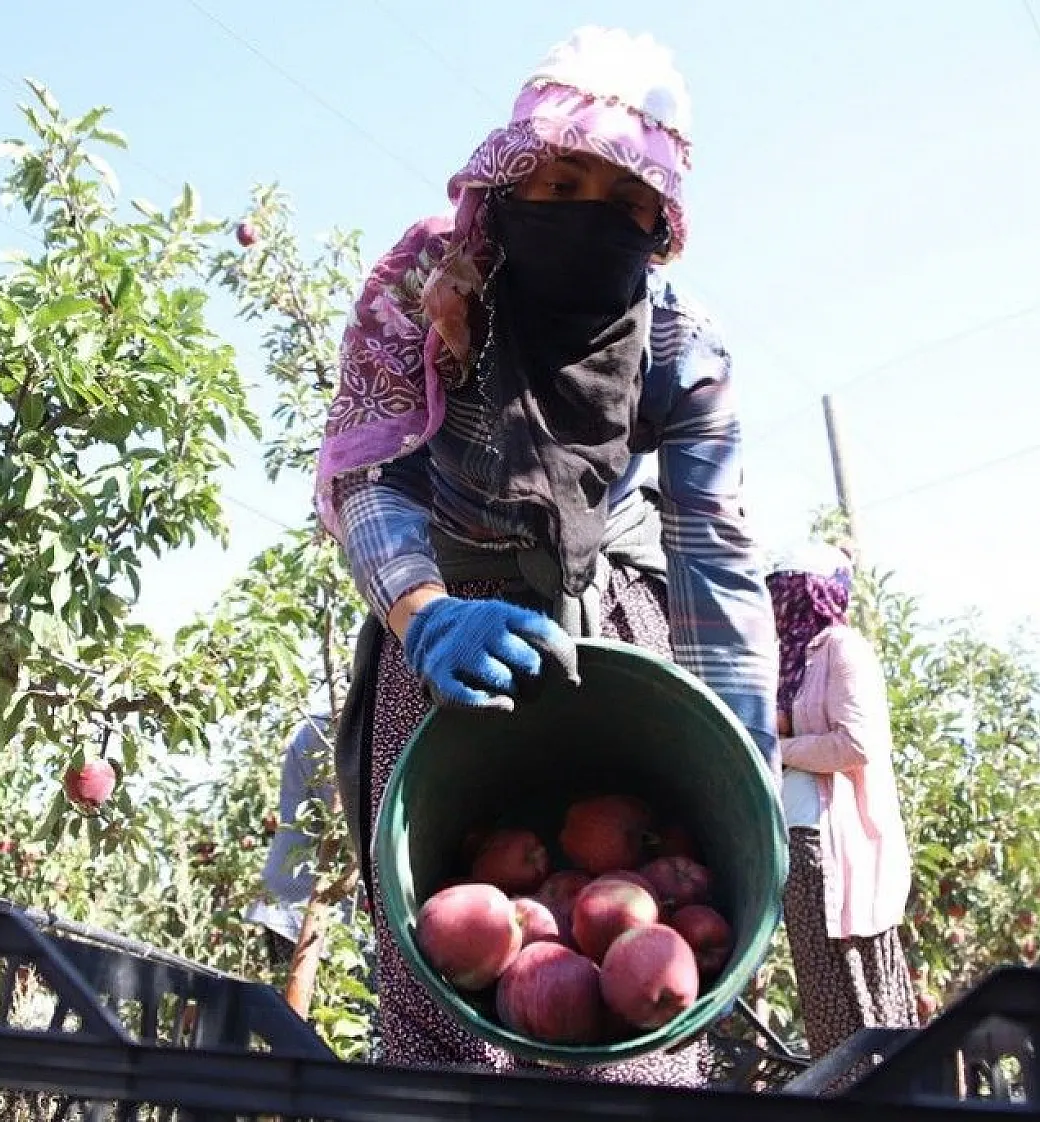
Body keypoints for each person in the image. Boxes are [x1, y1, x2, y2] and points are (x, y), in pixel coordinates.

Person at [315, 26, 777, 1086]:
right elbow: (368, 473)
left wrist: (743, 759)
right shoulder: (428, 285)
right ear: (509, 181)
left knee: (627, 1014)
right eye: (561, 183)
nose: (587, 214)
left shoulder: (678, 343)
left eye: (623, 200)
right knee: (441, 965)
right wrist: (425, 612)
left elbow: (712, 551)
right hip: (445, 624)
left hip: (603, 623)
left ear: (657, 225)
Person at [768, 543, 918, 1063]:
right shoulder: (794, 660)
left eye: (783, 593)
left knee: (854, 987)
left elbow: (857, 744)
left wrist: (780, 750)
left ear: (808, 595)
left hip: (831, 848)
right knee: (825, 990)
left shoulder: (843, 651)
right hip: (799, 842)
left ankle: (872, 1090)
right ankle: (849, 1088)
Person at [243, 715, 361, 969]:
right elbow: (350, 816)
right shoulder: (329, 729)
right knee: (325, 990)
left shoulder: (323, 726)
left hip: (301, 904)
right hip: (305, 907)